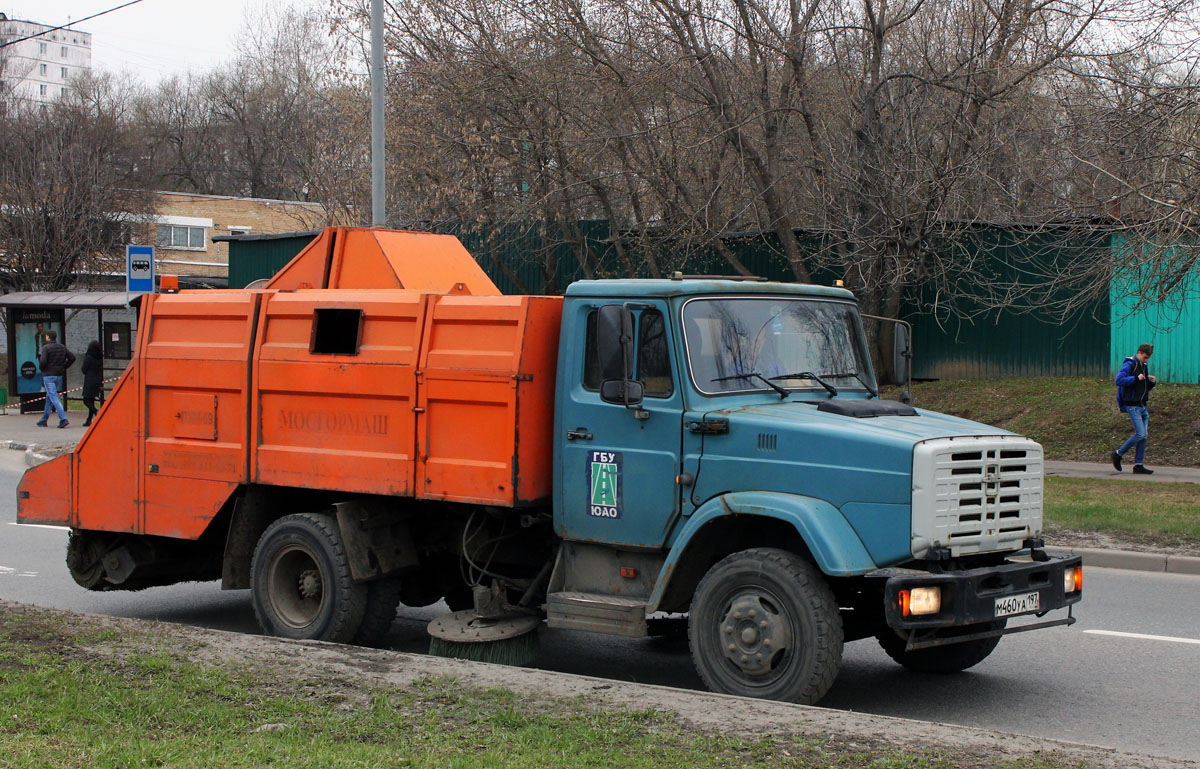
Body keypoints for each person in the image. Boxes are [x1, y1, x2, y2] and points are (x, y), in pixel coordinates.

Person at [1112, 342, 1156, 474]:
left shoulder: (1143, 365)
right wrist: (1136, 378)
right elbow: (1119, 380)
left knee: (1144, 436)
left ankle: (1138, 464)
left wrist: (1151, 383)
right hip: (1132, 405)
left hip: (1142, 405)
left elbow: (1142, 387)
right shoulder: (1129, 364)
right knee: (1140, 434)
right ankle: (1118, 453)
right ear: (1139, 353)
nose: (1146, 360)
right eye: (1145, 357)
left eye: (1148, 358)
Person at [36, 330, 75, 429]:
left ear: (48, 337)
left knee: (53, 397)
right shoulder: (62, 347)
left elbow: (43, 361)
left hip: (48, 375)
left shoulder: (46, 348)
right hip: (58, 375)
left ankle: (63, 419)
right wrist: (64, 367)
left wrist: (42, 369)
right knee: (49, 397)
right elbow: (72, 358)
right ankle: (44, 420)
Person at [81, 340, 104, 427]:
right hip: (97, 379)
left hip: (89, 380)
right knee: (91, 400)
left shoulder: (88, 357)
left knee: (86, 400)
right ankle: (89, 420)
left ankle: (96, 411)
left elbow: (83, 369)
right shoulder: (100, 357)